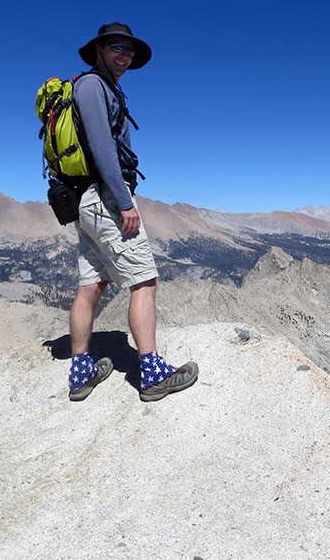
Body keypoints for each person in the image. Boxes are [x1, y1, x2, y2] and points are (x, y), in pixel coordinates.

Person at [66, 22, 198, 402]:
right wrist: (124, 201)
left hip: (89, 200)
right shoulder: (92, 86)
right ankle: (153, 374)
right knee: (143, 281)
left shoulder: (105, 87)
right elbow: (103, 148)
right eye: (116, 48)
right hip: (106, 198)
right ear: (98, 50)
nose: (124, 56)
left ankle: (81, 372)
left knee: (92, 285)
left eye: (129, 50)